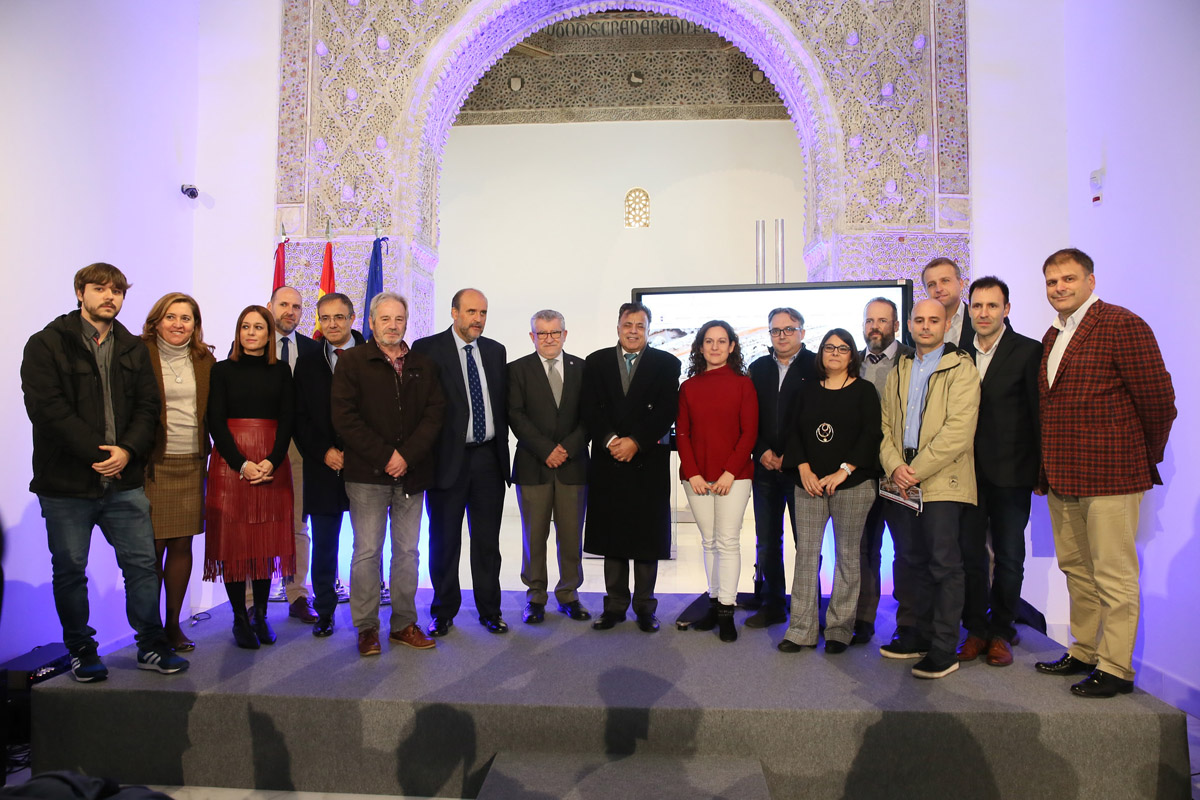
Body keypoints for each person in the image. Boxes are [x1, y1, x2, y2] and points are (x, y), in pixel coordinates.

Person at [21, 263, 187, 680]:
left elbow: (150, 408)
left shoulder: (132, 347)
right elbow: (47, 409)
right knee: (71, 570)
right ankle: (81, 650)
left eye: (117, 291)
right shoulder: (46, 344)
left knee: (142, 566)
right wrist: (99, 453)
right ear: (80, 293)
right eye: (100, 289)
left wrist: (127, 451)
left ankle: (150, 645)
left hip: (125, 480)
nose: (109, 297)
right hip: (65, 484)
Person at [1034, 248, 1176, 698]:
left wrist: (1137, 456)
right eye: (1053, 282)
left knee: (1113, 574)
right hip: (1064, 474)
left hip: (1112, 474)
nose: (1060, 288)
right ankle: (1084, 650)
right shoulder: (1052, 335)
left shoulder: (1122, 324)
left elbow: (1159, 403)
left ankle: (1116, 667)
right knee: (1077, 568)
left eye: (1069, 279)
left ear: (1090, 282)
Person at [332, 292, 445, 656]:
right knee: (366, 552)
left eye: (399, 319)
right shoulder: (351, 362)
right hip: (367, 475)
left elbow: (434, 415)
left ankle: (403, 624)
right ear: (371, 322)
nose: (393, 325)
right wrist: (386, 457)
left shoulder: (423, 365)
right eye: (385, 319)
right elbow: (346, 419)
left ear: (406, 322)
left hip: (411, 475)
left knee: (408, 552)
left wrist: (406, 457)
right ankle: (366, 628)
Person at [878, 299, 979, 679]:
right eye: (918, 320)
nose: (925, 326)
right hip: (901, 481)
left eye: (933, 320)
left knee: (944, 564)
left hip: (942, 482)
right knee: (907, 560)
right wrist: (895, 467)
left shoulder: (961, 368)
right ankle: (912, 634)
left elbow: (958, 432)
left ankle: (942, 648)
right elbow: (885, 426)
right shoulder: (899, 369)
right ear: (908, 323)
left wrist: (914, 469)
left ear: (947, 323)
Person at [411, 288, 510, 635]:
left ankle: (490, 611)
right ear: (454, 313)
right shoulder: (427, 349)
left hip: (488, 460)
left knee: (487, 543)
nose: (478, 319)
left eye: (483, 313)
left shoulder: (496, 351)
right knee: (444, 541)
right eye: (471, 312)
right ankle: (443, 611)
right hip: (446, 462)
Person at [956, 277, 1042, 668]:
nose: (984, 313)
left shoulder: (1028, 352)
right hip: (966, 474)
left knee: (1009, 557)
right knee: (970, 556)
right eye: (978, 306)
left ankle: (1002, 630)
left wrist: (1041, 470)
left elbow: (1038, 415)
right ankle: (975, 628)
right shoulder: (956, 354)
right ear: (969, 309)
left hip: (1012, 473)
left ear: (1006, 309)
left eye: (992, 306)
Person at [779, 329, 881, 654]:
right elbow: (792, 432)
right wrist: (804, 468)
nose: (834, 353)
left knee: (848, 557)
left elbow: (871, 434)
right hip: (807, 484)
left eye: (842, 348)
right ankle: (801, 630)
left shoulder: (864, 391)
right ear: (821, 354)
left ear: (852, 355)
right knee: (807, 555)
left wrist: (844, 470)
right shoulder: (805, 390)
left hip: (852, 484)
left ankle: (839, 629)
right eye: (828, 348)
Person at [583, 302, 681, 633]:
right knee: (612, 538)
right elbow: (590, 408)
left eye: (640, 325)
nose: (634, 330)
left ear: (649, 329)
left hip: (646, 462)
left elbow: (667, 409)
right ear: (618, 327)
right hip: (608, 461)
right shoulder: (596, 363)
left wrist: (636, 441)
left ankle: (645, 607)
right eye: (628, 324)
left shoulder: (667, 363)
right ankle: (613, 606)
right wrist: (612, 439)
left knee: (646, 537)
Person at [204, 305, 296, 649]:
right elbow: (215, 420)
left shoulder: (282, 371)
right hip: (232, 462)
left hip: (272, 461)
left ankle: (260, 615)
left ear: (269, 334)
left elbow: (288, 418)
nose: (252, 332)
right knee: (235, 542)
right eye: (245, 326)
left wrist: (272, 460)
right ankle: (239, 619)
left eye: (259, 327)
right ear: (238, 332)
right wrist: (241, 463)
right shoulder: (222, 370)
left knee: (265, 542)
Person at [141, 292, 216, 652]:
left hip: (191, 462)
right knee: (152, 547)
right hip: (153, 462)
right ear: (157, 320)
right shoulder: (139, 355)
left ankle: (173, 624)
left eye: (186, 318)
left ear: (195, 325)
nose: (178, 324)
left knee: (183, 544)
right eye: (171, 317)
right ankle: (149, 628)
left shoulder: (205, 359)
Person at [508, 310, 591, 625]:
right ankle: (535, 597)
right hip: (534, 466)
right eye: (542, 334)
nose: (549, 339)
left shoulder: (583, 369)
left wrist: (566, 449)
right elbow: (515, 415)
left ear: (565, 334)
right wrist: (546, 450)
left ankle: (569, 594)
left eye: (555, 333)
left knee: (571, 536)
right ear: (532, 337)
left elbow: (589, 417)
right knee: (534, 535)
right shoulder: (516, 370)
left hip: (573, 466)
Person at [676, 320, 757, 642]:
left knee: (727, 541)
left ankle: (726, 610)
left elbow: (748, 433)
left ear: (732, 346)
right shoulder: (689, 387)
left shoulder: (743, 385)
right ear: (699, 347)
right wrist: (693, 473)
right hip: (695, 477)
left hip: (734, 477)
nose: (715, 347)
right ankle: (712, 602)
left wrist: (728, 473)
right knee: (709, 541)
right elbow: (682, 433)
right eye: (709, 341)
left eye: (721, 341)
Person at [293, 292, 365, 637]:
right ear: (318, 322)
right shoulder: (308, 361)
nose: (333, 324)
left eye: (339, 317)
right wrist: (323, 451)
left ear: (353, 318)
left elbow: (381, 414)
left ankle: (367, 614)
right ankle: (324, 611)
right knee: (324, 543)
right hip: (322, 466)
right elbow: (300, 417)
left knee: (368, 543)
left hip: (366, 465)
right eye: (325, 318)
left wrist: (359, 451)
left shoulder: (373, 355)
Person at [746, 307, 816, 627]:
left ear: (802, 331)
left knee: (807, 543)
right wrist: (761, 451)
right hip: (764, 470)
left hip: (802, 471)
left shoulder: (817, 366)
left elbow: (819, 419)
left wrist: (792, 456)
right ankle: (773, 605)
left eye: (789, 329)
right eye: (776, 331)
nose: (782, 336)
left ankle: (806, 608)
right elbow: (748, 418)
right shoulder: (757, 368)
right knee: (767, 541)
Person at [854, 297, 915, 645]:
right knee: (863, 548)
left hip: (900, 471)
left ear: (896, 324)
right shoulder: (852, 361)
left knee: (906, 548)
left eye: (882, 320)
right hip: (862, 472)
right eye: (869, 320)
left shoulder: (912, 358)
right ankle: (862, 619)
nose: (875, 326)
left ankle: (908, 622)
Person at [268, 285, 320, 624]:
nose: (290, 311)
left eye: (297, 307)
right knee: (258, 521)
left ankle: (298, 594)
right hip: (260, 444)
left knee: (298, 524)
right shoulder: (250, 343)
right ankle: (249, 598)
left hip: (299, 448)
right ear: (270, 306)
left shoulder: (312, 350)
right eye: (284, 305)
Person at [922, 257, 974, 349]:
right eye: (931, 284)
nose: (939, 289)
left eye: (945, 281)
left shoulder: (979, 318)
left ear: (961, 284)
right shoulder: (916, 328)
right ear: (925, 290)